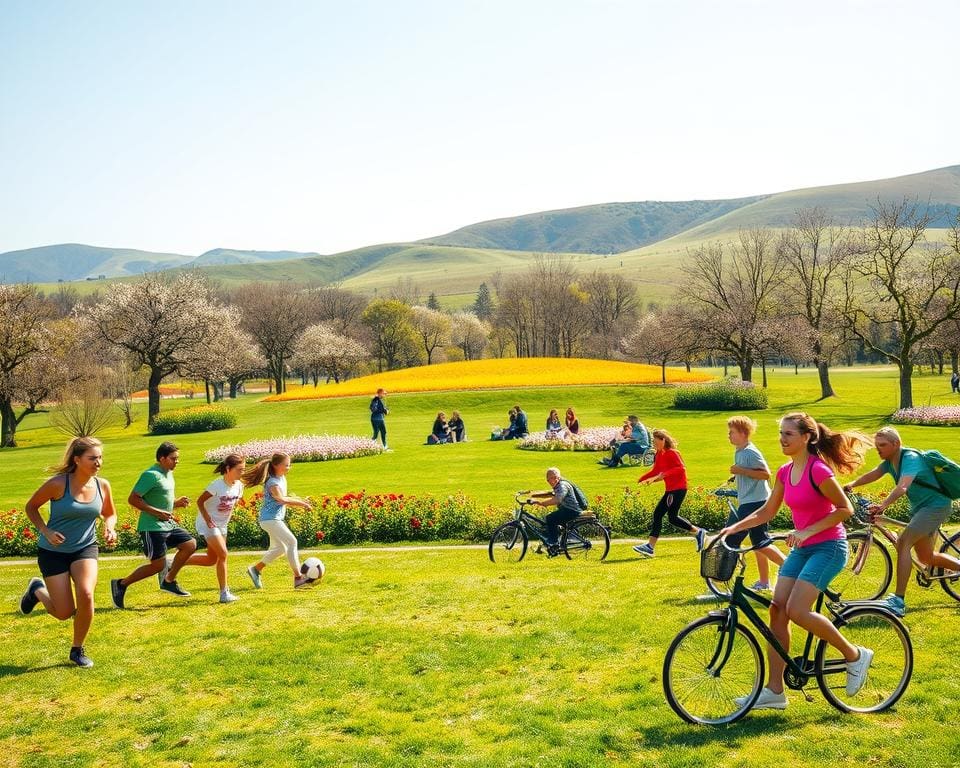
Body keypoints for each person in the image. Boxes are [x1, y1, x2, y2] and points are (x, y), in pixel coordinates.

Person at [720, 412, 874, 710]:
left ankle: (854, 654)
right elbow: (766, 512)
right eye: (781, 433)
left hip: (829, 548)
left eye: (788, 434)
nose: (782, 439)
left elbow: (844, 509)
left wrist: (807, 531)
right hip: (803, 549)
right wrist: (734, 527)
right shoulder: (783, 472)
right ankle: (775, 691)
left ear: (806, 437)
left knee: (796, 610)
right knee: (777, 611)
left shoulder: (818, 471)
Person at [20, 437, 118, 668]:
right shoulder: (58, 484)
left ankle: (77, 649)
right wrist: (46, 530)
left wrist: (109, 527)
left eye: (100, 457)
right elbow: (31, 507)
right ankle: (37, 591)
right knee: (63, 612)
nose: (98, 462)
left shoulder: (102, 485)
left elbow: (110, 513)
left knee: (86, 593)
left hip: (85, 547)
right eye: (92, 458)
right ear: (77, 459)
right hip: (53, 551)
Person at [843, 426, 960, 617]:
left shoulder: (910, 459)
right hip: (921, 509)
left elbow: (902, 487)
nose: (878, 449)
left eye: (882, 445)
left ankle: (898, 601)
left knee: (903, 542)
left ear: (896, 444)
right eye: (876, 445)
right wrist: (851, 485)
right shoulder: (890, 462)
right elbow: (874, 474)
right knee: (926, 558)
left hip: (935, 506)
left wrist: (883, 505)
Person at [111, 442, 196, 610]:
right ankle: (121, 584)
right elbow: (133, 499)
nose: (176, 462)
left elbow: (159, 499)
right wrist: (157, 513)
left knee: (190, 544)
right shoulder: (150, 475)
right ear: (162, 458)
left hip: (167, 524)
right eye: (173, 459)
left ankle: (168, 581)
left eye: (177, 459)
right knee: (157, 565)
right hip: (152, 527)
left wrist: (176, 503)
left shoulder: (168, 473)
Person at [725, 416, 785, 591]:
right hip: (749, 500)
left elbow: (765, 474)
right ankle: (764, 582)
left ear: (743, 434)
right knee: (757, 541)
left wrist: (740, 470)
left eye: (732, 432)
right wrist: (738, 474)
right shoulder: (740, 450)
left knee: (753, 540)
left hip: (756, 502)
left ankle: (786, 565)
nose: (729, 436)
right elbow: (752, 472)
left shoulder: (750, 451)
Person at [244, 453, 312, 589]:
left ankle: (256, 569)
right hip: (270, 519)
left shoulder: (281, 479)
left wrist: (300, 501)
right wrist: (302, 504)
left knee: (281, 548)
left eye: (289, 465)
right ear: (276, 466)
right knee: (292, 541)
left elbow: (285, 499)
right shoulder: (273, 482)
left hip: (273, 519)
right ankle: (298, 578)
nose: (289, 467)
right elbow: (281, 499)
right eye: (286, 465)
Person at [633, 429, 705, 556]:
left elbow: (680, 468)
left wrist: (664, 475)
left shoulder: (672, 453)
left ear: (663, 440)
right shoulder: (659, 454)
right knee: (672, 518)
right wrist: (642, 479)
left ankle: (650, 547)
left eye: (655, 441)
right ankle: (698, 532)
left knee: (658, 514)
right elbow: (656, 471)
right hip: (671, 490)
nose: (653, 444)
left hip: (678, 489)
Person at [186, 453, 245, 604]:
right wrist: (208, 519)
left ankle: (172, 563)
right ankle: (224, 593)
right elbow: (200, 502)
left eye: (243, 469)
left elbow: (232, 505)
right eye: (239, 470)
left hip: (221, 525)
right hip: (208, 523)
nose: (242, 472)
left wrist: (226, 521)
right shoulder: (216, 485)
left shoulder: (239, 486)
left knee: (211, 559)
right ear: (228, 469)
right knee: (223, 554)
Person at [531, 467, 583, 557]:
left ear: (558, 477)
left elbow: (557, 499)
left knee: (550, 518)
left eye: (553, 477)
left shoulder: (563, 485)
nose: (551, 481)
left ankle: (553, 544)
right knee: (553, 524)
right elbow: (551, 493)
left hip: (572, 510)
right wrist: (533, 496)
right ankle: (554, 548)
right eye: (549, 479)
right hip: (566, 509)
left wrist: (542, 503)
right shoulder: (558, 485)